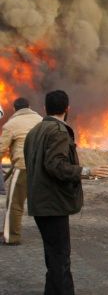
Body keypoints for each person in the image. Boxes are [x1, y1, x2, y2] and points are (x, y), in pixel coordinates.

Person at [24, 90, 108, 295]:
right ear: (67, 109)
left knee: (54, 258)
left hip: (40, 203)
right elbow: (55, 165)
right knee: (61, 260)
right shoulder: (59, 131)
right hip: (53, 204)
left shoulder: (35, 131)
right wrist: (87, 172)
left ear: (45, 108)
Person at [0, 97, 42, 244]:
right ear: (29, 106)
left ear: (14, 109)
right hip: (42, 168)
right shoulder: (41, 120)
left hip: (23, 168)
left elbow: (1, 148)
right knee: (44, 203)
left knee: (15, 204)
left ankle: (12, 237)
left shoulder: (11, 124)